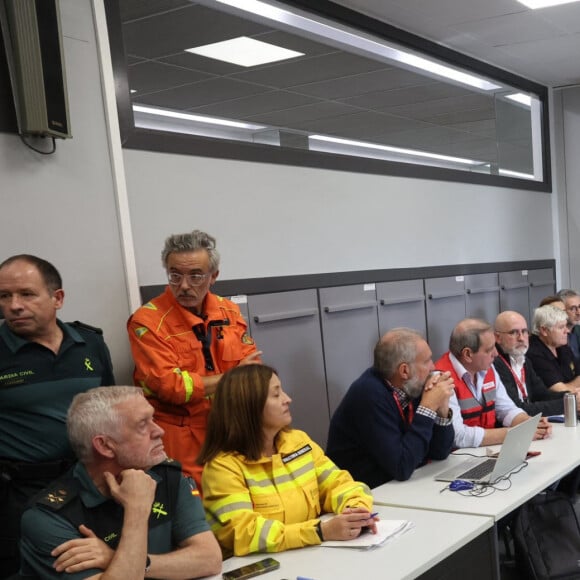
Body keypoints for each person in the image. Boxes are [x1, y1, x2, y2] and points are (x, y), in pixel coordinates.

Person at [20, 386, 221, 579]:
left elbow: (209, 559)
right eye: (143, 424)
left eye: (153, 418)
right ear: (105, 446)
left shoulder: (165, 474)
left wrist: (114, 559)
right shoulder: (48, 518)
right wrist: (136, 509)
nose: (159, 430)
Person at [0, 254, 115, 578]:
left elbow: (110, 411)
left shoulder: (90, 343)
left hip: (88, 486)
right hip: (19, 493)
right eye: (4, 296)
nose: (14, 305)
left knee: (88, 566)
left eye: (26, 294)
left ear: (57, 298)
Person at [127, 230, 261, 489]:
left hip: (231, 425)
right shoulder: (147, 321)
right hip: (180, 434)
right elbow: (172, 387)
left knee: (243, 497)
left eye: (195, 276)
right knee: (196, 511)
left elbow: (252, 369)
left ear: (214, 276)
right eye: (175, 275)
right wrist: (232, 378)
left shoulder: (228, 311)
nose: (184, 285)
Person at [199, 364, 376, 557]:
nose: (288, 399)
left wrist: (355, 511)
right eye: (276, 395)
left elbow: (339, 483)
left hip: (310, 554)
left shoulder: (298, 442)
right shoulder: (222, 468)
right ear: (249, 406)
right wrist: (319, 531)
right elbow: (245, 533)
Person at [326, 328, 455, 487]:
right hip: (365, 494)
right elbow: (401, 466)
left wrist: (441, 410)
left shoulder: (411, 385)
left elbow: (440, 453)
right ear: (404, 371)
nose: (433, 367)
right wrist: (427, 408)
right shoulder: (368, 394)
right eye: (427, 361)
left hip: (399, 485)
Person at [435, 318, 551, 448]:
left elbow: (506, 409)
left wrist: (528, 423)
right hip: (455, 459)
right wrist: (515, 433)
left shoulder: (487, 367)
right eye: (489, 350)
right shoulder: (441, 379)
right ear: (467, 354)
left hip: (485, 451)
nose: (495, 354)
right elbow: (457, 436)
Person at [493, 311, 572, 416]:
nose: (521, 338)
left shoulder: (523, 359)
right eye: (513, 332)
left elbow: (541, 394)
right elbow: (519, 408)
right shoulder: (495, 363)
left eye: (524, 331)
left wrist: (571, 396)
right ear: (497, 338)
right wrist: (568, 404)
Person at [527, 305, 580, 393]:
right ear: (544, 330)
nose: (567, 331)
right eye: (561, 327)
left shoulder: (560, 345)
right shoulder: (533, 353)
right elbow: (560, 390)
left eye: (566, 326)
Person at [558, 289, 580, 365]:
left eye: (579, 307)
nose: (578, 312)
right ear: (561, 310)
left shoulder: (578, 330)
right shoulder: (555, 336)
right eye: (573, 308)